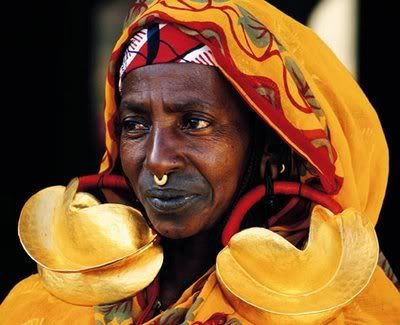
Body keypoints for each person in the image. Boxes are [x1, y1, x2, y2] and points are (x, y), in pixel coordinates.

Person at [1, 0, 399, 324]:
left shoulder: (344, 312)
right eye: (134, 125)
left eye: (194, 123)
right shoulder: (46, 307)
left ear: (272, 148)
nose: (157, 160)